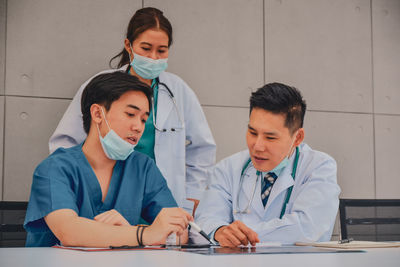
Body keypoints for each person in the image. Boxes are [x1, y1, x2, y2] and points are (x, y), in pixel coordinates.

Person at [49, 7, 216, 213]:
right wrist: (78, 186)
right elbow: (64, 143)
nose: (153, 57)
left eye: (161, 50)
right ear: (128, 45)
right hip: (104, 194)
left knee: (159, 237)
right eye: (146, 48)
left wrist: (194, 193)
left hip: (160, 199)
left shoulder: (179, 91)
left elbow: (203, 149)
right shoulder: (100, 86)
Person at [24, 72, 192, 247]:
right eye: (130, 114)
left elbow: (179, 233)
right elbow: (69, 231)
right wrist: (143, 234)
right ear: (97, 113)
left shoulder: (143, 168)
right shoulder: (54, 169)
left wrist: (128, 231)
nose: (138, 127)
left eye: (143, 119)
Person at [195, 83, 340, 247]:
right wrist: (220, 231)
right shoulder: (227, 169)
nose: (257, 146)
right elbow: (206, 219)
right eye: (252, 132)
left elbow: (306, 228)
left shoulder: (318, 168)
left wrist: (243, 236)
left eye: (270, 138)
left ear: (298, 138)